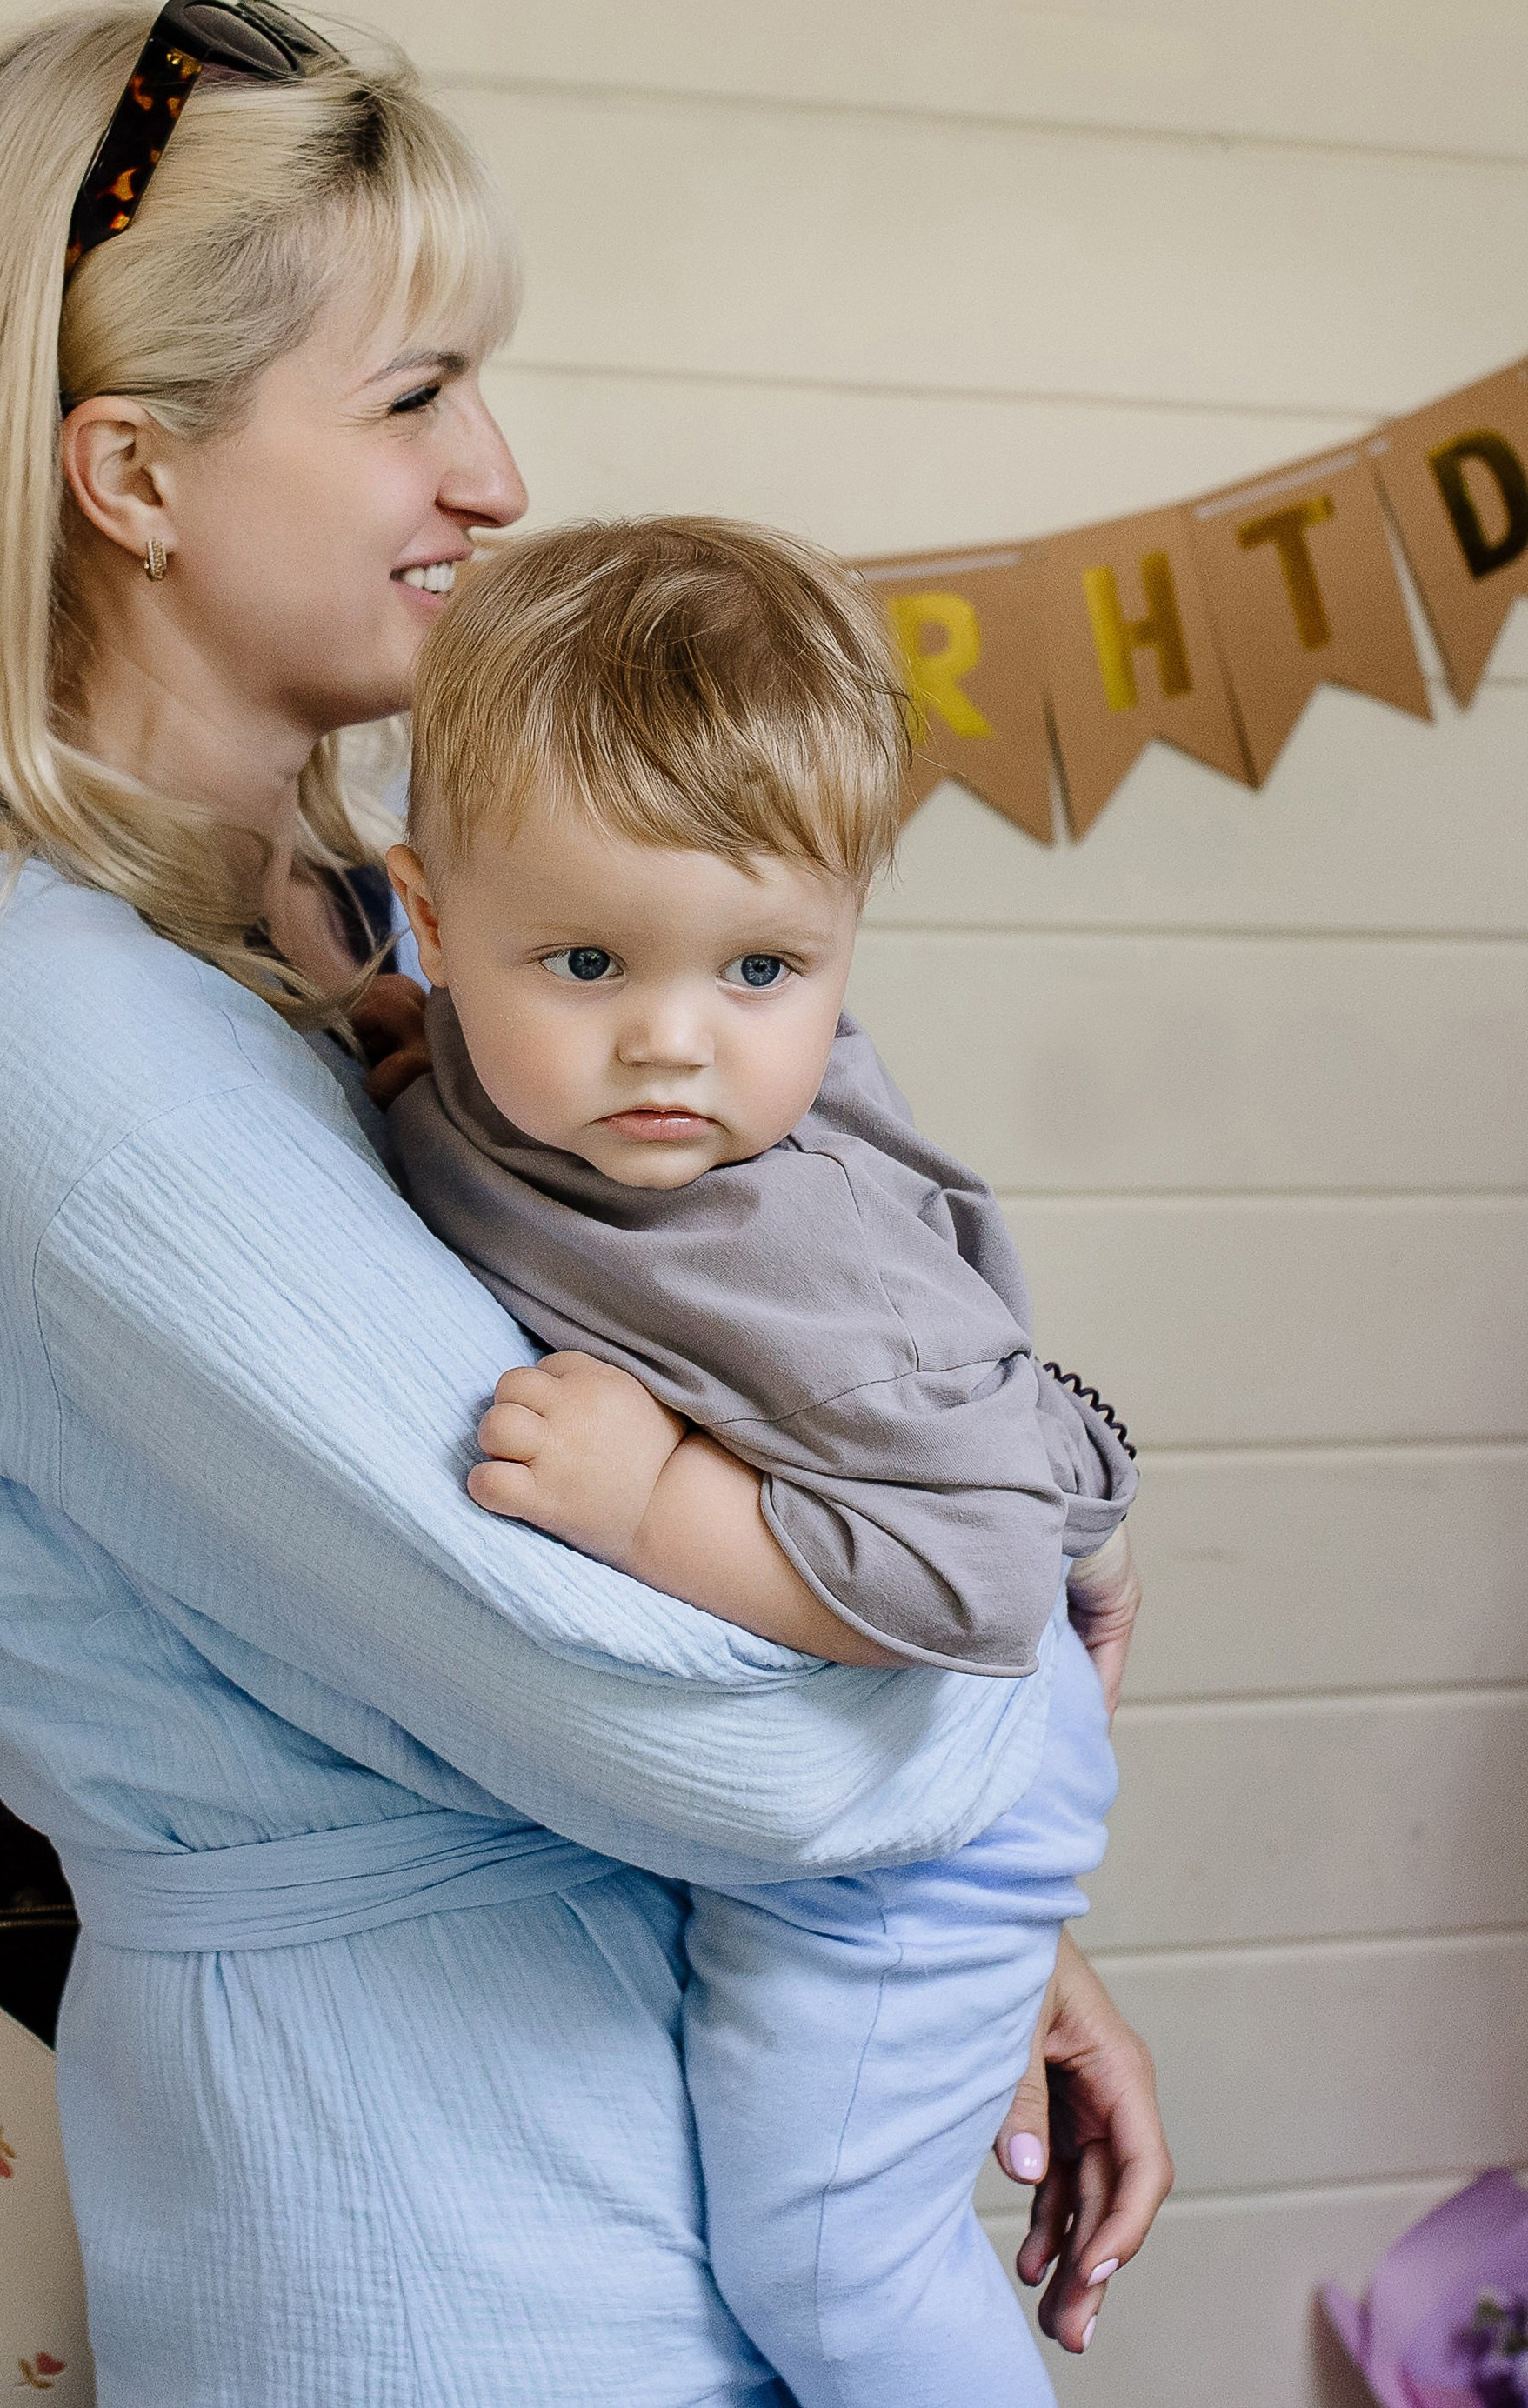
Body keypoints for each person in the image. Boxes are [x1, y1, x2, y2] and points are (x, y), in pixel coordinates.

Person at [0, 0, 1170, 2406]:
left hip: (615, 2168)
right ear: (131, 471)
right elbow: (746, 1746)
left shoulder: (363, 919)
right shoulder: (41, 1045)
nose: (493, 473)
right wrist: (1016, 1721)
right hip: (453, 2259)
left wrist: (985, 1950)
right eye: (409, 395)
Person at [379, 514, 1138, 2405]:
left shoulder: (790, 1255)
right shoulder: (457, 1064)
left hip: (940, 1797)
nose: (671, 1044)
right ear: (426, 917)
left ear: (841, 946)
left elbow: (976, 1582)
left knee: (827, 2260)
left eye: (763, 971)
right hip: (834, 1768)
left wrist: (653, 1504)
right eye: (582, 956)